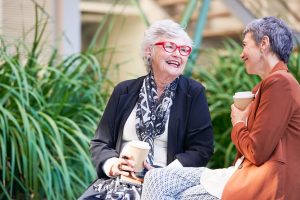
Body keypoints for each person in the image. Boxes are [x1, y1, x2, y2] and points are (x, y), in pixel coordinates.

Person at [141, 16, 300, 200]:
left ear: (264, 43)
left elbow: (257, 152)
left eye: (245, 44)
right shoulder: (271, 85)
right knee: (156, 178)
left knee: (180, 194)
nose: (242, 54)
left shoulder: (281, 83)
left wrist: (239, 123)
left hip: (264, 184)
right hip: (240, 175)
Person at [90, 19, 214, 183]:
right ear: (149, 51)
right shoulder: (123, 91)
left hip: (169, 182)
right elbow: (100, 142)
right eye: (170, 47)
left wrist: (162, 176)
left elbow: (202, 148)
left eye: (184, 50)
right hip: (120, 182)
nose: (178, 54)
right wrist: (114, 165)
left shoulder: (193, 92)